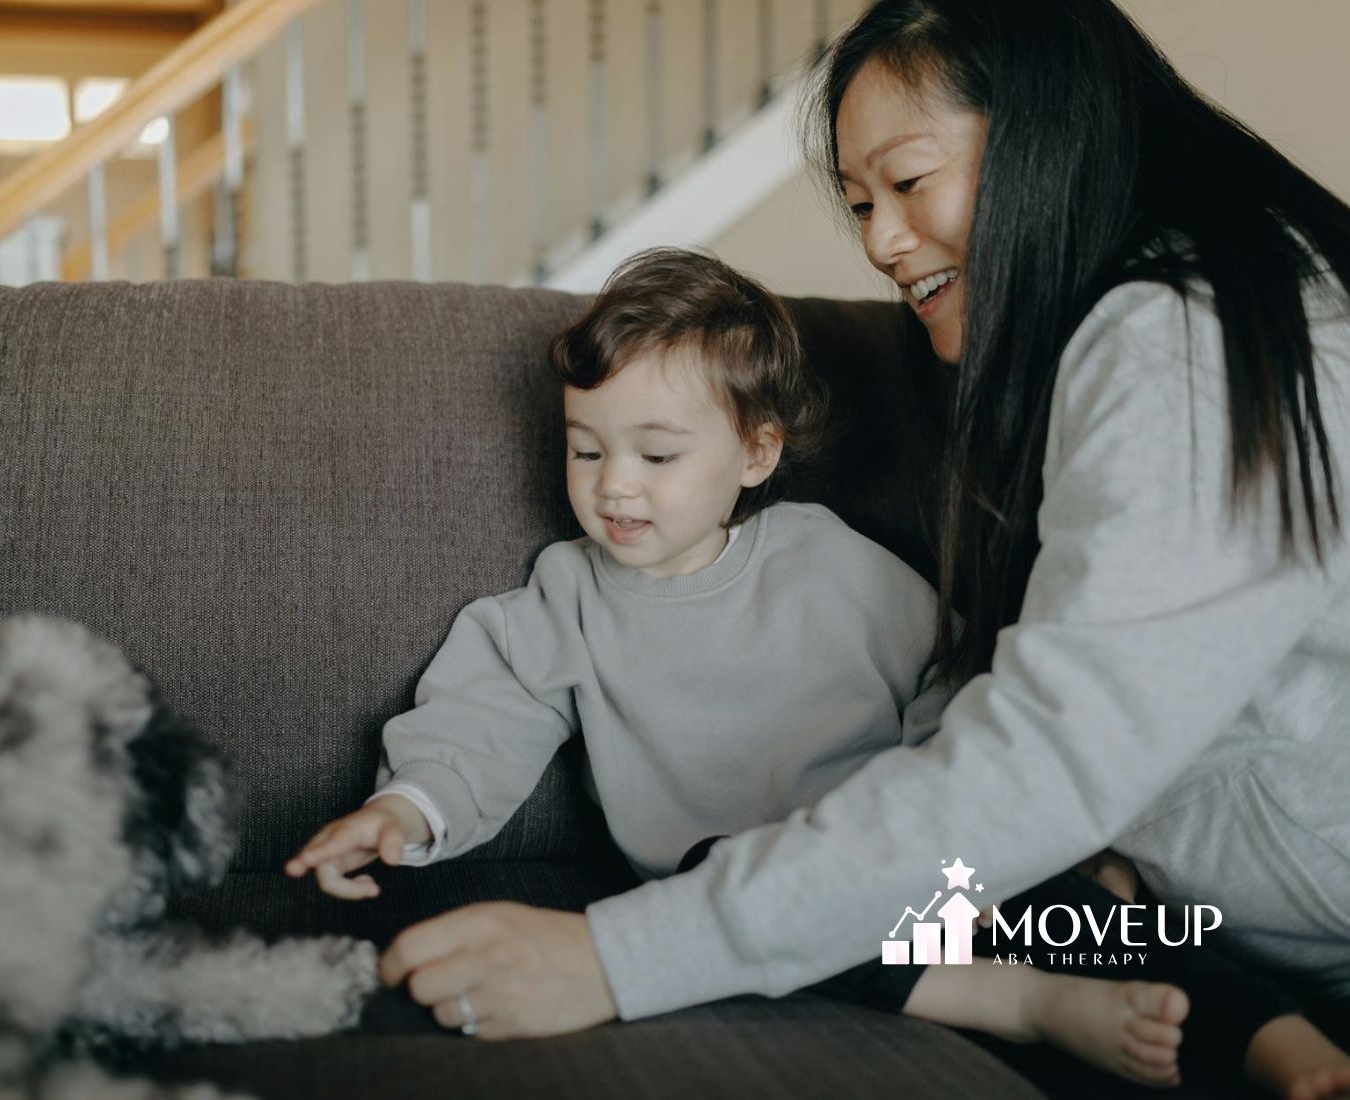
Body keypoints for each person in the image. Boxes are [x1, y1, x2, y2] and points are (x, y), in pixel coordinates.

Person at [331, 4, 1350, 1099]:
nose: (877, 241)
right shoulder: (1156, 321)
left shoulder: (1183, 347)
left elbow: (1022, 742)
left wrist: (614, 955)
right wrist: (422, 799)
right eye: (862, 202)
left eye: (909, 183)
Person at [287, 247, 1228, 1086]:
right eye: (586, 450)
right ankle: (1020, 1004)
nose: (613, 484)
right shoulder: (566, 592)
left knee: (1119, 905)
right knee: (725, 878)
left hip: (896, 867)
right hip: (734, 893)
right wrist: (402, 810)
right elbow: (482, 718)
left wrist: (984, 865)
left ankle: (1272, 1043)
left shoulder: (829, 563)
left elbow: (954, 692)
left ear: (755, 451)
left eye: (655, 453)